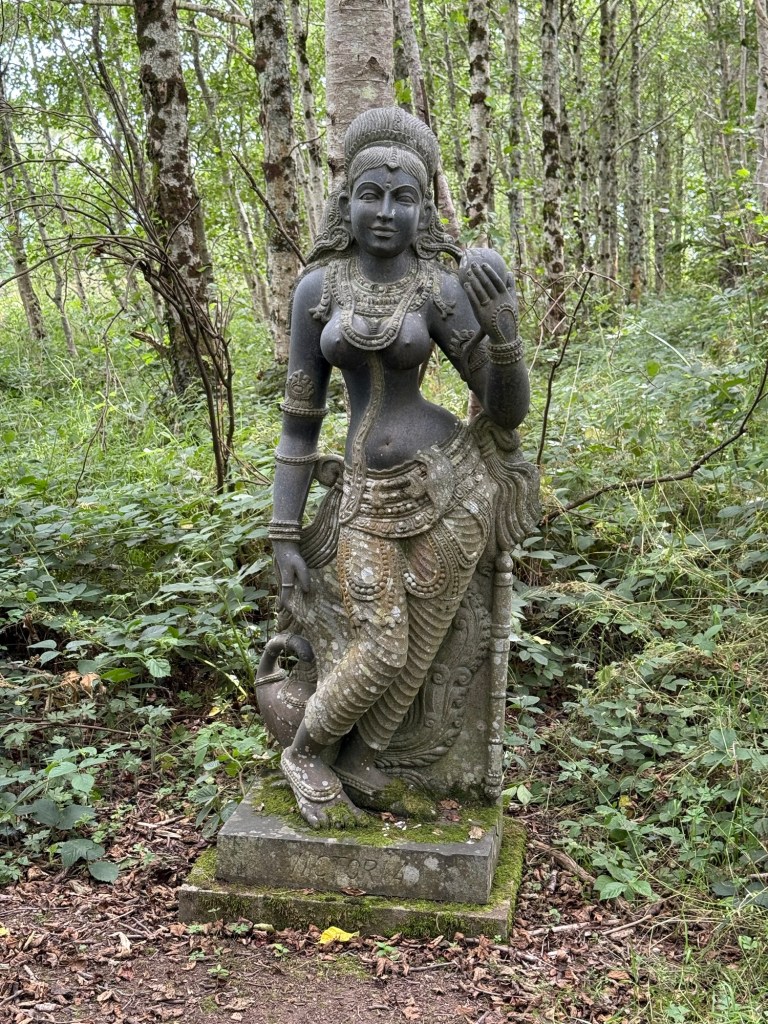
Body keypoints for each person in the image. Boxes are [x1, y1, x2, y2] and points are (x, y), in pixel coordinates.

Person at [267, 107, 531, 827]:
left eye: (404, 197)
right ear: (346, 202)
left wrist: (504, 332)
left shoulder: (439, 288)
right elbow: (299, 423)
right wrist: (284, 532)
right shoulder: (318, 291)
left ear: (423, 211)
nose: (386, 211)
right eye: (371, 194)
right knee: (382, 645)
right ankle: (306, 753)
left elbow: (505, 411)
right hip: (366, 496)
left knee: (424, 641)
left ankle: (362, 760)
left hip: (455, 486)